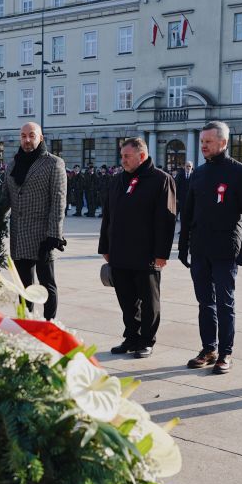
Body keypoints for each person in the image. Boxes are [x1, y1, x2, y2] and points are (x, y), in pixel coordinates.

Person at [178, 121, 242, 374]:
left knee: (225, 303)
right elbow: (188, 212)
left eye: (208, 142)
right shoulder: (199, 173)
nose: (203, 146)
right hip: (200, 248)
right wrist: (183, 245)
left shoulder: (238, 172)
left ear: (223, 143)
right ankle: (208, 348)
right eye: (202, 142)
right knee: (205, 302)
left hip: (226, 249)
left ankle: (226, 352)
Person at [99, 137, 176, 358]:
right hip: (120, 252)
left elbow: (166, 220)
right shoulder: (117, 181)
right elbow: (108, 216)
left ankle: (147, 340)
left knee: (149, 300)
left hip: (147, 254)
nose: (122, 160)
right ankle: (131, 337)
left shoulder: (161, 179)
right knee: (126, 298)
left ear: (141, 156)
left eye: (126, 156)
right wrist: (105, 246)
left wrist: (162, 253)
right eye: (121, 156)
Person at [1, 122, 67, 320]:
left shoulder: (53, 163)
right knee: (24, 285)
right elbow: (5, 199)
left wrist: (54, 234)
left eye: (31, 135)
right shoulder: (13, 165)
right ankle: (26, 322)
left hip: (42, 236)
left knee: (47, 284)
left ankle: (50, 323)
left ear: (41, 138)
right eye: (23, 136)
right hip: (19, 234)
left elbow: (58, 200)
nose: (27, 140)